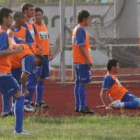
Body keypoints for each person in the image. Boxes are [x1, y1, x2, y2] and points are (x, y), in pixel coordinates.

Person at [0, 7, 28, 134]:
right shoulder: (2, 34)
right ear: (5, 19)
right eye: (10, 17)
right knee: (20, 97)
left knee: (18, 97)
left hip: (4, 72)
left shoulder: (5, 33)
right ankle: (19, 130)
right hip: (3, 73)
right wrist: (15, 51)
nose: (12, 20)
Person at [72, 10, 94, 114]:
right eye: (88, 19)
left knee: (78, 83)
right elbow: (81, 46)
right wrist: (87, 59)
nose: (89, 21)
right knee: (83, 83)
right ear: (84, 19)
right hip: (81, 61)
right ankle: (82, 106)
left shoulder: (76, 29)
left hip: (77, 60)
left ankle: (78, 106)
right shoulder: (80, 29)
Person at [33, 7, 53, 108]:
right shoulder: (33, 26)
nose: (37, 17)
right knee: (35, 78)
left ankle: (39, 101)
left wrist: (49, 52)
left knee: (42, 78)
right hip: (38, 56)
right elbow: (32, 41)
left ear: (42, 15)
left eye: (39, 15)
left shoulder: (44, 25)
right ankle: (29, 102)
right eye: (35, 15)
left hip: (45, 55)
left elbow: (46, 40)